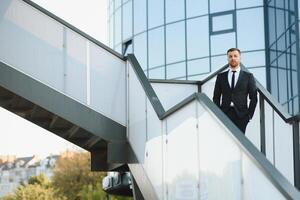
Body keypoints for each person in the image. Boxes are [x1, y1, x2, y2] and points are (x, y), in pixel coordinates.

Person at [213, 48, 257, 133]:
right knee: (224, 140)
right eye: (230, 56)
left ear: (240, 58)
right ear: (227, 59)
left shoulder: (248, 76)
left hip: (242, 115)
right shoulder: (221, 77)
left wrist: (249, 116)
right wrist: (219, 114)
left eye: (235, 56)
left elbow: (254, 98)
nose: (233, 58)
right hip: (224, 114)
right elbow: (216, 97)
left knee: (240, 142)